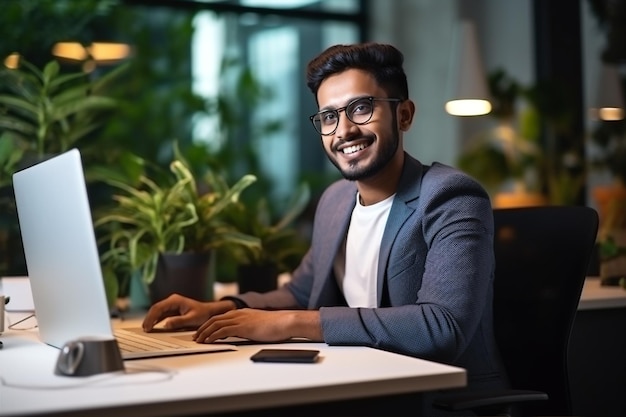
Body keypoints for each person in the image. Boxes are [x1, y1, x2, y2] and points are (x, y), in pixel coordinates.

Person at [143, 42, 506, 401]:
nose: (344, 130)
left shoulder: (451, 197)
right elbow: (301, 292)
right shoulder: (336, 201)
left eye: (361, 108)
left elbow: (442, 327)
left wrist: (291, 324)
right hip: (357, 384)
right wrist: (223, 308)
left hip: (438, 398)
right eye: (329, 117)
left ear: (404, 115)